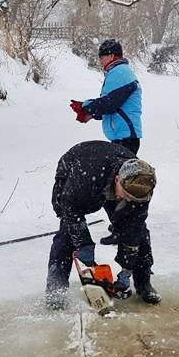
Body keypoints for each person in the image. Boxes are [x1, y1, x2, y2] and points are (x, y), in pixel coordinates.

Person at [46, 140, 160, 310]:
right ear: (117, 180)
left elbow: (134, 228)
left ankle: (144, 284)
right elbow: (70, 208)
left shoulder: (141, 185)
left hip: (105, 173)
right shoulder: (84, 179)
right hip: (77, 167)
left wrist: (127, 267)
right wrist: (83, 243)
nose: (129, 200)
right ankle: (56, 293)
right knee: (67, 235)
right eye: (126, 195)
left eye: (134, 199)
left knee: (139, 233)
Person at [69, 39, 144, 246]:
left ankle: (125, 230)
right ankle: (120, 228)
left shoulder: (119, 72)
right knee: (116, 185)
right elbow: (114, 106)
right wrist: (90, 113)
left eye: (101, 57)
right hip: (122, 138)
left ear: (110, 56)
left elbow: (110, 103)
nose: (100, 61)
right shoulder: (119, 73)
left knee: (117, 186)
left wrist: (86, 107)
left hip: (124, 139)